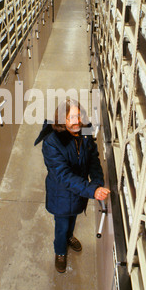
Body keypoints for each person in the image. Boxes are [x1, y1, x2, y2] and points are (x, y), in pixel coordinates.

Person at [34, 99, 110, 273]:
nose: (76, 121)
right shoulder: (52, 142)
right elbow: (63, 176)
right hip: (61, 193)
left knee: (73, 217)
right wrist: (92, 190)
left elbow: (93, 159)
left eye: (78, 116)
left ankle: (69, 237)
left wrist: (97, 182)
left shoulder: (85, 131)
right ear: (62, 120)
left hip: (79, 191)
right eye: (71, 118)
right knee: (61, 224)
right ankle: (60, 251)